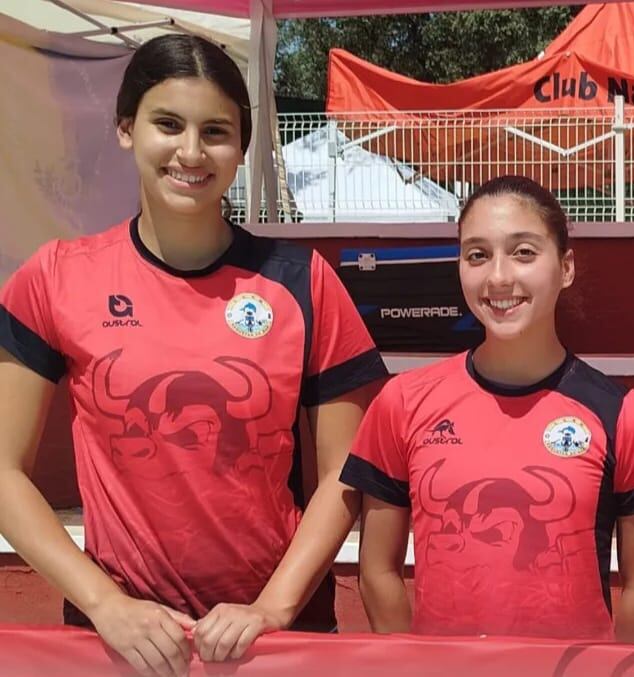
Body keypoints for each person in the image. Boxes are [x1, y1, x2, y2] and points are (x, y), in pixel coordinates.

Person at [0, 34, 387, 677]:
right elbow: (3, 470)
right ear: (126, 128)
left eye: (215, 131)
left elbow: (342, 475)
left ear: (242, 147)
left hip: (271, 644)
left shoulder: (303, 282)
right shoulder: (57, 276)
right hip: (120, 641)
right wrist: (104, 603)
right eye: (167, 124)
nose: (190, 151)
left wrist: (270, 608)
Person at [340, 175, 634, 642]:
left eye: (523, 252)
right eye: (477, 255)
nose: (499, 277)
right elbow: (377, 571)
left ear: (565, 267)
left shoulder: (625, 417)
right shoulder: (402, 403)